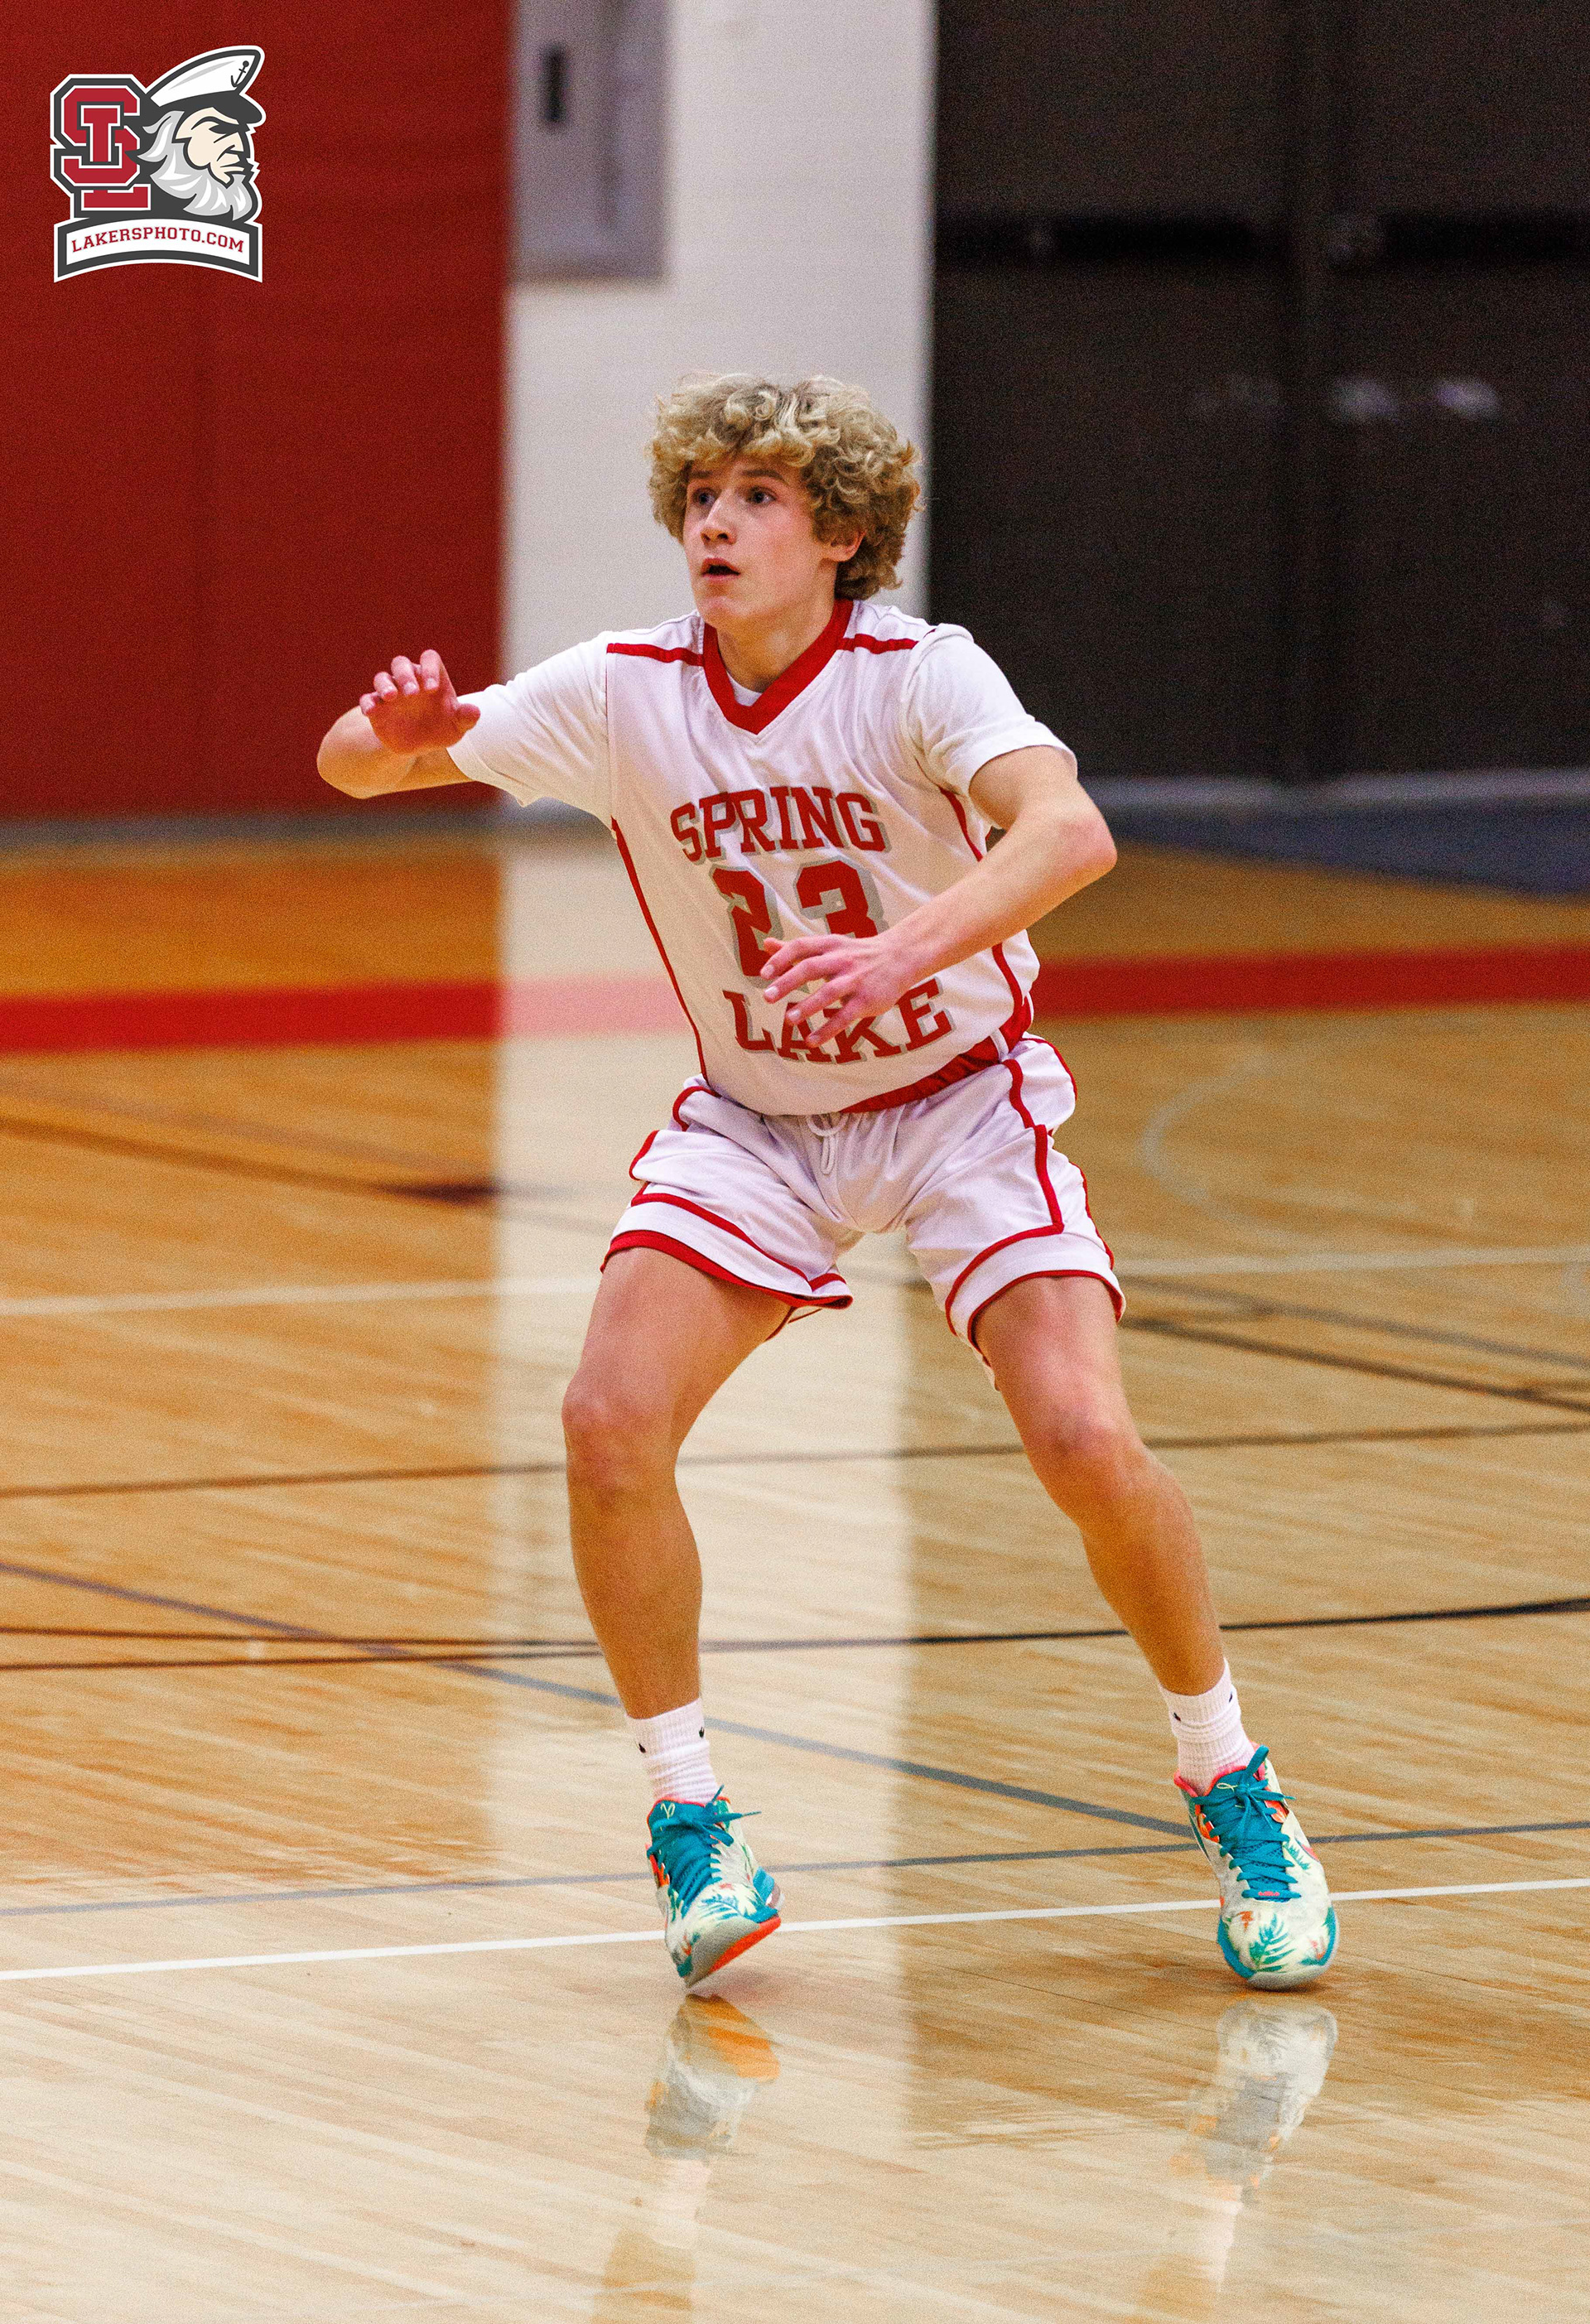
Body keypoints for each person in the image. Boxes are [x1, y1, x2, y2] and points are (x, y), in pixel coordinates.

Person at [318, 373, 1337, 1995]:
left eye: (759, 497)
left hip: (959, 1102)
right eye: (700, 496)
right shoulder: (626, 686)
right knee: (606, 1421)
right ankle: (692, 1821)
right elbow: (349, 767)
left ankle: (1231, 1776)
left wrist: (901, 952)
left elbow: (1069, 835)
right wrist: (400, 737)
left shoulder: (921, 673)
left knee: (1083, 1437)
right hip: (761, 1121)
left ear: (844, 533)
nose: (715, 524)